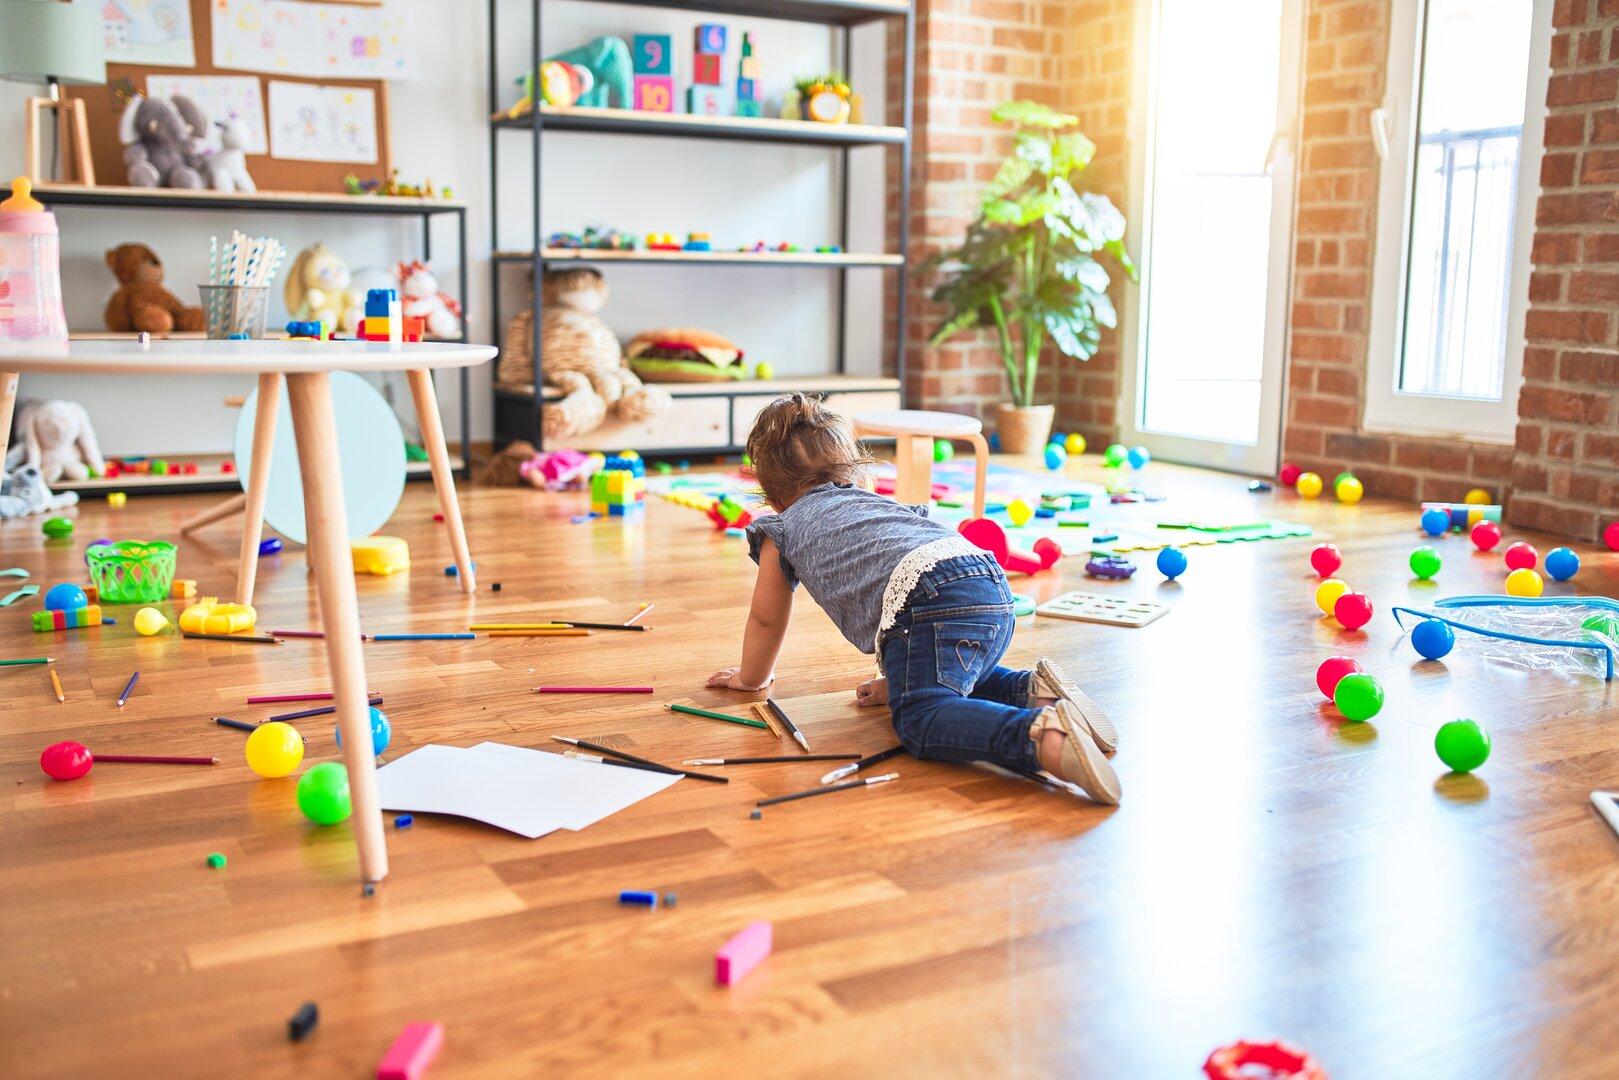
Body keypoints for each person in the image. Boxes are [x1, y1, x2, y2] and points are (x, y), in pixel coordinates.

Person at [704, 393, 1120, 805]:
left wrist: (751, 679)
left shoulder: (782, 530)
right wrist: (898, 679)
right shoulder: (876, 504)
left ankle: (1042, 736)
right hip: (986, 578)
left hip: (928, 594)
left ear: (768, 487)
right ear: (851, 466)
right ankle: (1033, 690)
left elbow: (766, 620)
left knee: (921, 718)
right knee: (948, 670)